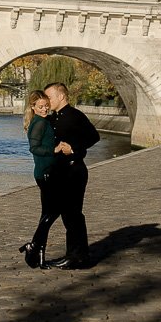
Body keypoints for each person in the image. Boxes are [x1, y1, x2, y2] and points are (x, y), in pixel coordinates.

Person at [43, 81, 100, 269]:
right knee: (67, 215)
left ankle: (79, 256)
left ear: (61, 96)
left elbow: (94, 136)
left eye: (49, 97)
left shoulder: (75, 116)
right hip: (60, 172)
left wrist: (74, 147)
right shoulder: (53, 118)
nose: (47, 100)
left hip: (74, 170)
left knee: (73, 213)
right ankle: (73, 254)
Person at [18, 90, 63, 269]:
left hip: (47, 171)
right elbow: (34, 148)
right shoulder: (39, 124)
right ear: (33, 107)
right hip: (45, 173)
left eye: (46, 106)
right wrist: (54, 150)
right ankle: (34, 245)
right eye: (41, 106)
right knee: (54, 211)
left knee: (47, 213)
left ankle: (39, 256)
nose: (45, 109)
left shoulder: (43, 121)